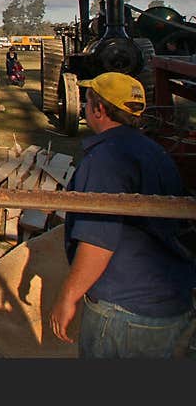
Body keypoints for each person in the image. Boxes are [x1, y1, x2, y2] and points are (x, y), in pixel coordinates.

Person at [49, 72, 196, 358]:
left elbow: (98, 242)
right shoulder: (154, 150)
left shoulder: (106, 161)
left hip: (124, 313)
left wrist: (67, 297)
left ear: (99, 109)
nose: (84, 106)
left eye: (88, 100)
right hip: (170, 302)